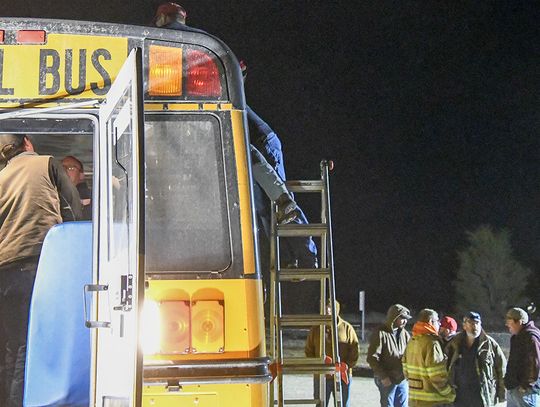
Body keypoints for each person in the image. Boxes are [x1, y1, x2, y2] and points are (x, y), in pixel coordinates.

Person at [0, 134, 82, 406]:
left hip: (6, 272)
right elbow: (72, 207)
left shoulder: (1, 177)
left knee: (11, 345)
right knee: (32, 344)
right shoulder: (47, 163)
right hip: (42, 265)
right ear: (28, 142)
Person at [241, 60, 318, 268]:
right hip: (256, 150)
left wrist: (239, 75)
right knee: (264, 211)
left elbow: (256, 158)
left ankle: (306, 256)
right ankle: (288, 258)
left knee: (279, 206)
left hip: (265, 145)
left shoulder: (233, 107)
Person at [446, 311, 506, 407]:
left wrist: (502, 395)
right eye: (471, 323)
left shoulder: (490, 345)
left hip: (481, 396)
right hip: (459, 396)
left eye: (477, 323)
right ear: (464, 326)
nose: (475, 326)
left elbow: (501, 369)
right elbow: (446, 366)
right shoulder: (455, 344)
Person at [305, 300, 359, 407]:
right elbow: (309, 351)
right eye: (325, 307)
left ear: (336, 309)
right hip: (321, 377)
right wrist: (317, 366)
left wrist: (346, 366)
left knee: (343, 404)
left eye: (330, 307)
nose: (327, 310)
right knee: (320, 404)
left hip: (342, 376)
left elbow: (354, 349)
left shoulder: (347, 328)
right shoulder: (315, 329)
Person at [402, 308, 455, 407]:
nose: (439, 324)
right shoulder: (432, 343)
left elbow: (405, 370)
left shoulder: (412, 341)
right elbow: (437, 376)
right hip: (433, 401)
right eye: (437, 321)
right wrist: (450, 393)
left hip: (414, 399)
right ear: (431, 321)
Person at [367, 303, 412, 406]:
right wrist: (383, 376)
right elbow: (372, 358)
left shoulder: (405, 334)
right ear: (393, 317)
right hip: (387, 378)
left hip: (402, 379)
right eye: (402, 318)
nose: (405, 321)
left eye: (406, 318)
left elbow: (409, 353)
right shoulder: (380, 333)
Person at [504, 307, 540, 407]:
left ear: (519, 322)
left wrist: (526, 385)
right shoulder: (517, 337)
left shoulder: (531, 338)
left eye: (509, 322)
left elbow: (534, 363)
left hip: (524, 390)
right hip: (514, 386)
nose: (507, 325)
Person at [62, 155, 92, 220]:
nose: (65, 171)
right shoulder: (51, 193)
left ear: (81, 175)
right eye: (62, 168)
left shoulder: (90, 196)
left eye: (71, 168)